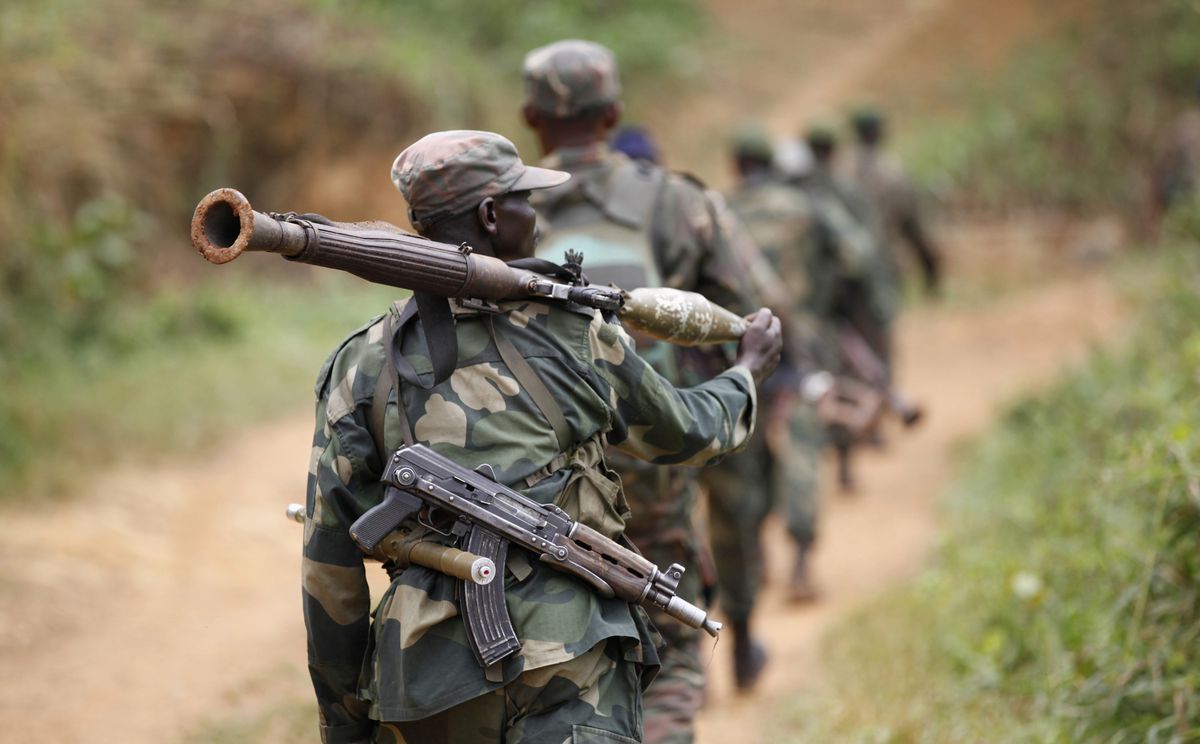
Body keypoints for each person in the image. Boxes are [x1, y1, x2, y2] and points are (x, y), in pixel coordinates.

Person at [301, 129, 783, 744]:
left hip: (423, 683)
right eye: (526, 200)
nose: (537, 215)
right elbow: (689, 432)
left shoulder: (359, 365)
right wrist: (746, 373)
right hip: (570, 663)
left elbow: (327, 566)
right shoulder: (572, 333)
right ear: (491, 214)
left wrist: (344, 727)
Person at [521, 40, 754, 743]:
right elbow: (753, 307)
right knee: (672, 638)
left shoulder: (500, 204)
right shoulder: (678, 201)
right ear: (615, 112)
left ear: (532, 120)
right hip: (655, 455)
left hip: (534, 474)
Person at [706, 125, 832, 689]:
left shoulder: (718, 212)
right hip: (792, 346)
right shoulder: (804, 208)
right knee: (802, 451)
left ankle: (750, 567)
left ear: (736, 161)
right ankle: (802, 559)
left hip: (733, 356)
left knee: (741, 479)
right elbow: (838, 266)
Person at [844, 106, 942, 299]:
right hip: (884, 265)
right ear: (879, 132)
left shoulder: (838, 167)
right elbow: (914, 226)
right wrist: (930, 268)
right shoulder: (894, 173)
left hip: (844, 268)